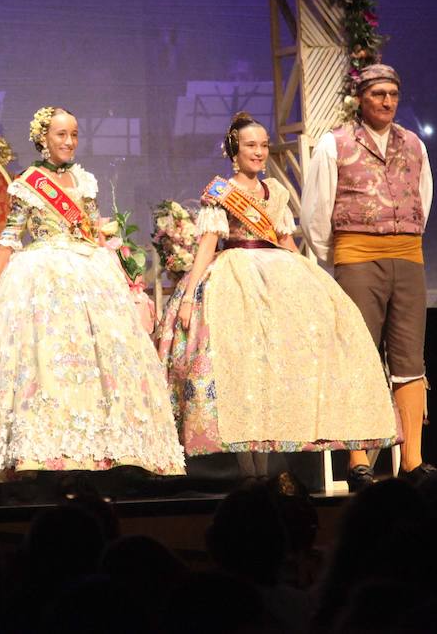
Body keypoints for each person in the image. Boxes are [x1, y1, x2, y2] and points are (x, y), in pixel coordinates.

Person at [0, 108, 186, 485]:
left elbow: (95, 233)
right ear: (43, 138)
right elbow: (9, 238)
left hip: (90, 268)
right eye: (61, 135)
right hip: (42, 271)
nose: (69, 142)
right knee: (46, 360)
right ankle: (43, 450)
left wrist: (123, 280)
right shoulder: (28, 182)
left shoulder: (84, 180)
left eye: (74, 134)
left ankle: (108, 450)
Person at [155, 113, 395, 479]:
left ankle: (271, 460)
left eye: (264, 145)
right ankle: (247, 468)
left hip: (277, 272)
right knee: (242, 363)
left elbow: (283, 240)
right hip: (235, 275)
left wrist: (314, 283)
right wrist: (188, 297)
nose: (260, 151)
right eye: (251, 145)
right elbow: (206, 246)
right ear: (235, 151)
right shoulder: (220, 192)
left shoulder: (276, 192)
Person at [299, 64, 433, 490]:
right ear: (361, 98)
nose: (387, 102)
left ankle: (412, 459)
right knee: (360, 354)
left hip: (407, 256)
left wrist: (404, 238)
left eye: (393, 93)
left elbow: (423, 197)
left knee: (410, 359)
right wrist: (338, 256)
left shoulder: (413, 144)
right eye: (378, 94)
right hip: (358, 257)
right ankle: (359, 459)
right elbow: (317, 208)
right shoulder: (335, 143)